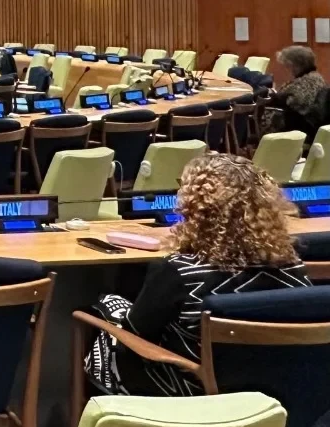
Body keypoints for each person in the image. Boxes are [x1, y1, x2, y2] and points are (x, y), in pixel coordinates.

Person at [84, 154, 310, 397]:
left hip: (194, 395)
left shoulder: (178, 271)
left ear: (195, 209)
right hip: (281, 393)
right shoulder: (292, 269)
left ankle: (88, 418)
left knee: (107, 309)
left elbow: (134, 337)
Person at [262, 45, 326, 136]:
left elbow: (296, 103)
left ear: (295, 65)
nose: (287, 69)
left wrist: (276, 97)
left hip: (298, 126)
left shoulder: (307, 81)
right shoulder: (315, 77)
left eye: (287, 66)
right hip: (303, 122)